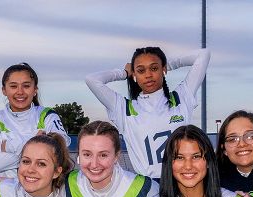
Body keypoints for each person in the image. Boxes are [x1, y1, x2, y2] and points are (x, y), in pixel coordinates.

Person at [85, 46, 210, 178]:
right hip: (149, 188)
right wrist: (123, 73)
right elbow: (92, 80)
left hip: (182, 181)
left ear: (163, 70)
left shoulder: (181, 98)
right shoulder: (124, 109)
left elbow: (203, 54)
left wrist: (167, 64)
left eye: (154, 68)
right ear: (134, 74)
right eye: (140, 70)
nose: (148, 75)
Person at [0, 63, 69, 182]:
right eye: (13, 86)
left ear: (35, 90)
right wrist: (37, 150)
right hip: (6, 190)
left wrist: (9, 146)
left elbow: (59, 148)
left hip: (42, 189)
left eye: (26, 86)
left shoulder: (48, 115)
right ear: (4, 90)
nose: (20, 92)